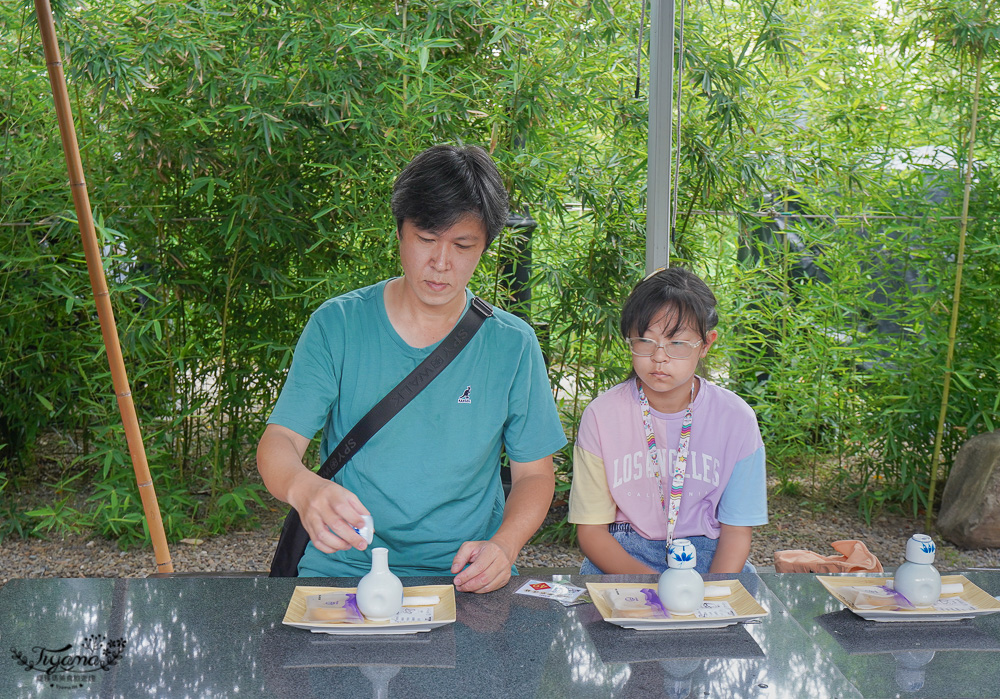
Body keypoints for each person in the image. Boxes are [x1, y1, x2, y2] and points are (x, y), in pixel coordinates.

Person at [257, 145, 566, 593]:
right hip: (346, 566)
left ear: (485, 247)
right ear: (399, 232)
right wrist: (305, 490)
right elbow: (279, 442)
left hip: (465, 574)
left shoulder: (511, 344)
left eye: (463, 245)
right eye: (426, 239)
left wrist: (505, 545)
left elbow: (535, 474)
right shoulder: (338, 324)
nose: (442, 263)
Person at [568, 267, 767, 575]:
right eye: (645, 341)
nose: (659, 357)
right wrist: (656, 589)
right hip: (621, 557)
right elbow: (592, 532)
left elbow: (737, 532)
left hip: (708, 557)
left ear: (706, 344)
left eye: (677, 343)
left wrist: (710, 592)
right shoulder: (601, 415)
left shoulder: (736, 418)